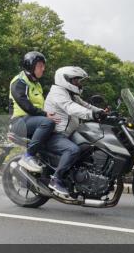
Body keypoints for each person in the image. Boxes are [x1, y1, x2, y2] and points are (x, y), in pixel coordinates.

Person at [43, 66, 106, 198]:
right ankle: (56, 179)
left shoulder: (70, 94)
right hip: (55, 135)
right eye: (76, 80)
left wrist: (102, 112)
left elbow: (86, 105)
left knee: (91, 147)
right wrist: (91, 115)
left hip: (68, 135)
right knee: (73, 150)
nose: (78, 83)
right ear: (65, 80)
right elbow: (70, 108)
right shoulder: (58, 93)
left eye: (78, 80)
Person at [8, 51, 55, 173]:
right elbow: (25, 104)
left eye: (43, 66)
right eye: (40, 66)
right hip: (19, 122)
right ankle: (28, 156)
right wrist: (45, 115)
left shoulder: (37, 85)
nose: (43, 69)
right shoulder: (19, 81)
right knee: (47, 123)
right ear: (30, 65)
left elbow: (41, 106)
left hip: (33, 121)